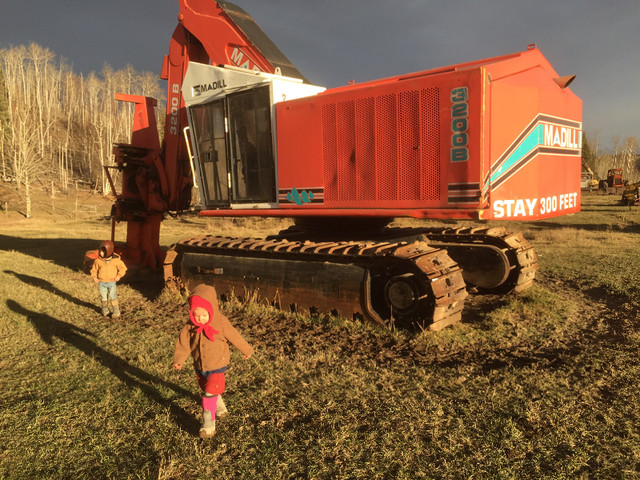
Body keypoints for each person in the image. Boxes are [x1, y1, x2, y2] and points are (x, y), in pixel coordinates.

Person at [173, 284, 254, 438]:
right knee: (206, 388)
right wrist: (179, 359)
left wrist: (246, 349)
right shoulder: (189, 326)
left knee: (209, 392)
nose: (200, 319)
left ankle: (208, 423)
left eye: (204, 315)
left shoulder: (221, 322)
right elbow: (183, 343)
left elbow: (234, 336)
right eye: (196, 315)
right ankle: (221, 408)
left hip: (218, 364)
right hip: (199, 365)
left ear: (212, 310)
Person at [90, 240, 127, 317]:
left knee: (112, 296)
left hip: (111, 282)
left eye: (103, 251)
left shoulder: (116, 260)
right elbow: (93, 270)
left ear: (109, 251)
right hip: (101, 283)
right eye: (100, 251)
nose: (100, 253)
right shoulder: (98, 261)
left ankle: (116, 311)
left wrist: (119, 275)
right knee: (103, 297)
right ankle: (105, 310)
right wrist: (94, 277)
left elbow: (123, 268)